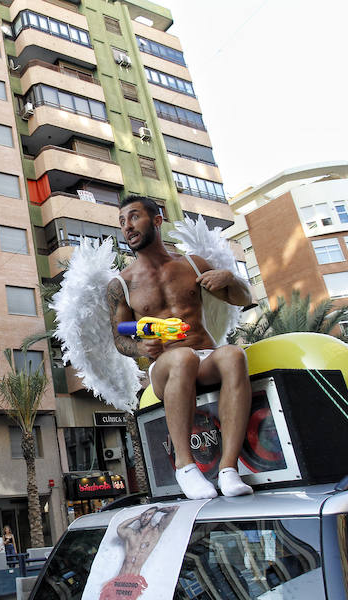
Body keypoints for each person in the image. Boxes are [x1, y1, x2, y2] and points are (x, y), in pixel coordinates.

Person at [108, 195, 253, 500]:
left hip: (205, 355)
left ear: (157, 221)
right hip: (166, 367)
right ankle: (186, 466)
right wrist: (140, 347)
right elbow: (120, 335)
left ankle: (228, 469)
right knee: (182, 358)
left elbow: (241, 298)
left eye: (134, 217)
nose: (127, 227)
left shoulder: (191, 263)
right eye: (122, 222)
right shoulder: (121, 283)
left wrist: (229, 277)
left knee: (233, 354)